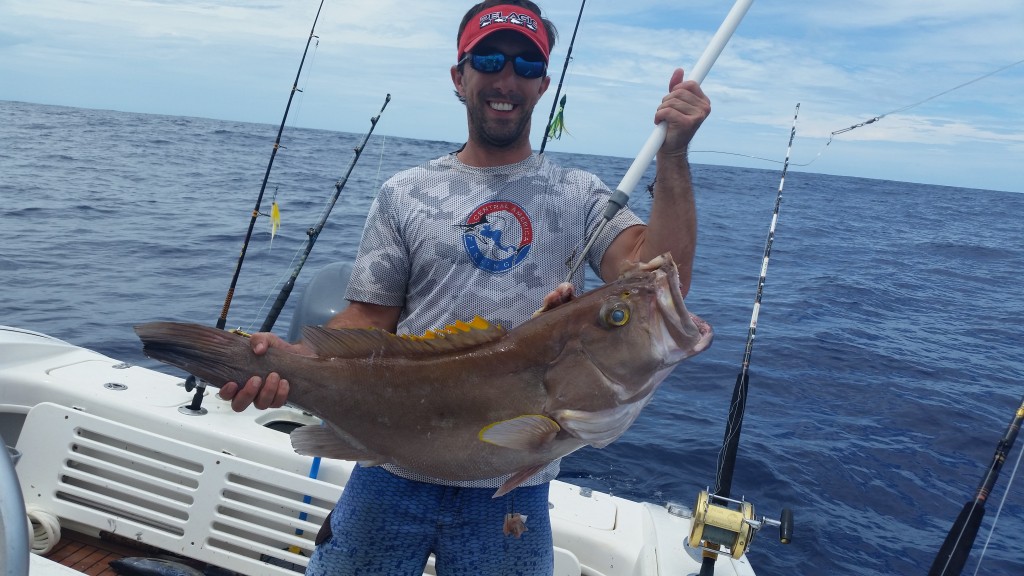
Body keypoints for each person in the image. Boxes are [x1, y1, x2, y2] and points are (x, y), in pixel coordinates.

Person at [218, 1, 710, 574]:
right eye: (490, 59)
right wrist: (287, 362)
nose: (507, 79)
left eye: (527, 66)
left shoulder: (580, 195)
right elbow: (368, 321)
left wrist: (674, 154)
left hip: (510, 493)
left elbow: (656, 276)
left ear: (543, 84)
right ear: (460, 76)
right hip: (390, 472)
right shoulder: (405, 193)